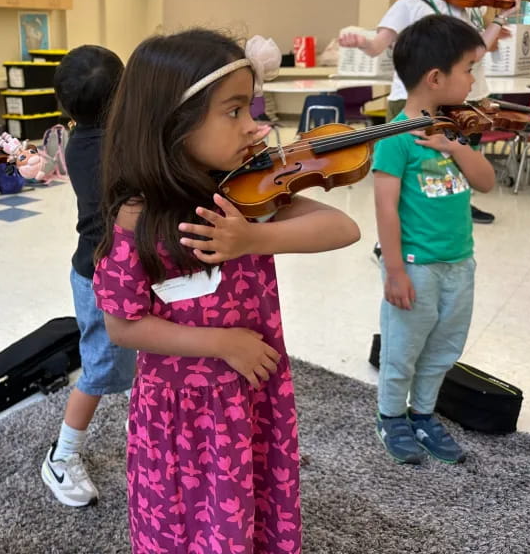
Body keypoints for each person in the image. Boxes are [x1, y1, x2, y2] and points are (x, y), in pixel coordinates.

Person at [94, 29, 361, 553]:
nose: (255, 126)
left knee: (252, 504)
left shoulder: (244, 195)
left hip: (251, 389)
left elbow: (341, 229)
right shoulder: (138, 217)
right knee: (190, 520)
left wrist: (253, 237)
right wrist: (222, 342)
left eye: (251, 108)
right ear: (173, 121)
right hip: (184, 411)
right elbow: (122, 324)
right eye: (234, 112)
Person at [372, 15, 496, 465]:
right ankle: (390, 417)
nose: (472, 79)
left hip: (459, 265)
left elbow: (486, 183)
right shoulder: (394, 139)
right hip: (415, 266)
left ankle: (423, 414)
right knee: (403, 348)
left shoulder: (453, 130)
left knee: (444, 347)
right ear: (436, 77)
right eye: (468, 69)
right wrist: (395, 271)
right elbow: (386, 207)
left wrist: (455, 147)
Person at [339, 0, 517, 239]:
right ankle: (392, 239)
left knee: (443, 167)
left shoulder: (459, 9)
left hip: (447, 103)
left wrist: (500, 17)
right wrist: (361, 41)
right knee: (405, 177)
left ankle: (443, 221)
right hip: (410, 102)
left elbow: (477, 51)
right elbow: (378, 45)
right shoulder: (408, 5)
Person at [41, 44, 136, 507]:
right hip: (102, 278)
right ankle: (62, 456)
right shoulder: (110, 149)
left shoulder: (89, 137)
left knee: (145, 357)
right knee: (100, 369)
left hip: (120, 271)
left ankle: (143, 424)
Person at [449, 0, 499, 224]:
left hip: (477, 86)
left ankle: (465, 203)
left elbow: (481, 41)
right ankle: (451, 207)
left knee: (473, 148)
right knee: (449, 154)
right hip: (456, 90)